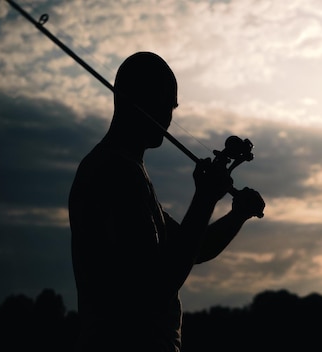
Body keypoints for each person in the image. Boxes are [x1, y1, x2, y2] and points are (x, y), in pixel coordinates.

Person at [68, 51, 265, 352]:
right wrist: (204, 198)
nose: (168, 117)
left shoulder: (130, 171)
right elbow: (156, 285)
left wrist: (237, 214)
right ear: (135, 99)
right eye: (164, 104)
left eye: (171, 107)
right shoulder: (112, 172)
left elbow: (194, 249)